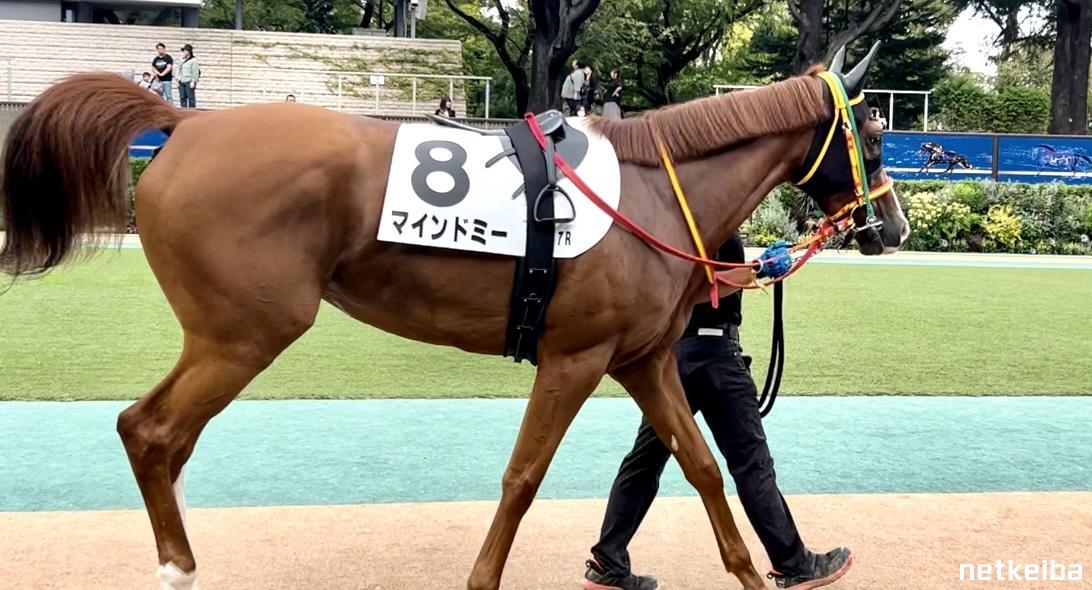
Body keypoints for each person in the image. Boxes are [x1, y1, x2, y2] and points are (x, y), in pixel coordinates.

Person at [583, 233, 854, 590]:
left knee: (645, 461)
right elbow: (708, 281)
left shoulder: (672, 228)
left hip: (672, 360)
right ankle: (795, 564)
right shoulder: (715, 225)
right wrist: (759, 269)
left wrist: (757, 268)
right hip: (717, 360)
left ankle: (608, 561)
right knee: (751, 464)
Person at [177, 44, 200, 109]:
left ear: (189, 51)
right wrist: (178, 80)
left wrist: (193, 81)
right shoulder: (182, 60)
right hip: (182, 81)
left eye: (185, 50)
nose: (184, 52)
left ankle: (192, 111)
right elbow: (178, 70)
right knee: (182, 97)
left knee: (191, 98)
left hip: (189, 81)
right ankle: (183, 111)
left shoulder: (194, 61)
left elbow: (195, 71)